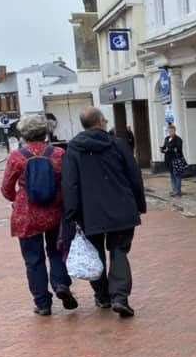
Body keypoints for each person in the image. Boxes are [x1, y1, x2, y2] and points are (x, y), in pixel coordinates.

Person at [62, 107, 146, 318]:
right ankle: (119, 297)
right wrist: (138, 204)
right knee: (119, 251)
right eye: (105, 120)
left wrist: (72, 213)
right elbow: (134, 175)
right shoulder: (118, 144)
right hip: (121, 207)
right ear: (100, 122)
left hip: (89, 211)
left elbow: (70, 183)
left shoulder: (74, 148)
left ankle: (102, 296)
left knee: (95, 253)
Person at [0, 114, 77, 316]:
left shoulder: (17, 157)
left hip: (27, 215)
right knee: (57, 251)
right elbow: (68, 183)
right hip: (54, 211)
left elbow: (6, 188)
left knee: (33, 259)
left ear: (24, 134)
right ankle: (61, 284)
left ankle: (42, 303)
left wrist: (17, 198)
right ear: (45, 132)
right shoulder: (59, 154)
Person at [160, 124, 184, 197]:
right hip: (168, 160)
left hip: (176, 160)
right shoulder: (167, 138)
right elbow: (164, 147)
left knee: (177, 175)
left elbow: (178, 149)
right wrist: (162, 149)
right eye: (169, 131)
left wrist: (168, 149)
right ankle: (174, 190)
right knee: (172, 176)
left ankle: (178, 191)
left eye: (172, 131)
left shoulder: (178, 139)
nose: (170, 132)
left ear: (174, 131)